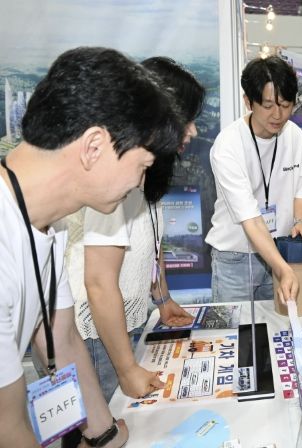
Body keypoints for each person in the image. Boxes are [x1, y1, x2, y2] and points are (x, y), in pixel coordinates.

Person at [0, 47, 184, 448]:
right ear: (94, 146)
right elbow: (7, 426)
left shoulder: (50, 224)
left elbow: (62, 337)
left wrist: (105, 436)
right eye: (142, 166)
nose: (139, 183)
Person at [58, 56, 205, 404]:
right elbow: (99, 282)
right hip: (97, 337)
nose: (193, 131)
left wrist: (162, 299)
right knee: (109, 420)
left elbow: (152, 241)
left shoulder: (147, 166)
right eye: (186, 120)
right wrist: (125, 370)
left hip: (124, 323)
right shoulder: (113, 171)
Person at [207, 56, 302, 303]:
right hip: (236, 257)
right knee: (235, 325)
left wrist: (301, 221)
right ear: (248, 101)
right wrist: (283, 269)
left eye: (285, 105)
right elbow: (251, 220)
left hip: (280, 250)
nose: (278, 115)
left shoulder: (295, 136)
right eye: (268, 106)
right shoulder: (228, 145)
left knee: (277, 322)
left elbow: (301, 190)